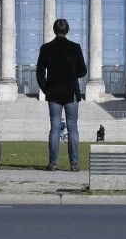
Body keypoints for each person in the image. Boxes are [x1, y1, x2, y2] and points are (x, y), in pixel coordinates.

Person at [36, 18, 87, 172]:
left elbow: (39, 73)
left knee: (55, 128)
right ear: (67, 30)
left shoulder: (45, 48)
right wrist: (72, 73)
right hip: (71, 92)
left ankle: (53, 163)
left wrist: (46, 88)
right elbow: (83, 71)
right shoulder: (75, 47)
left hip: (53, 93)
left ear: (54, 30)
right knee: (72, 127)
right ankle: (74, 164)